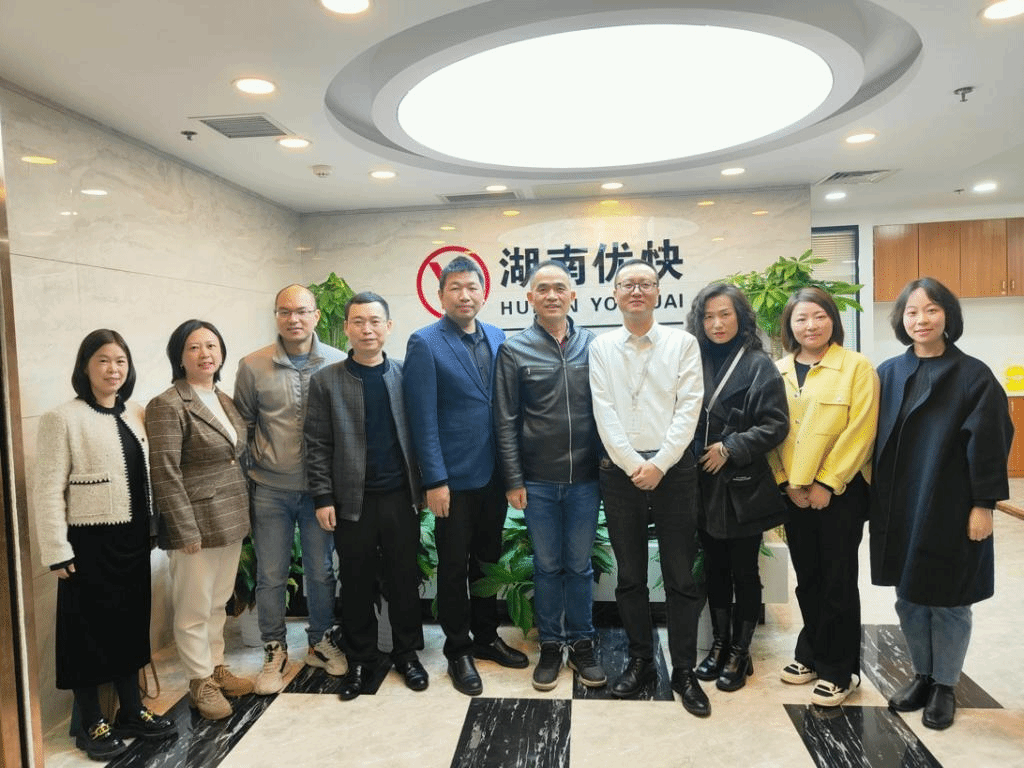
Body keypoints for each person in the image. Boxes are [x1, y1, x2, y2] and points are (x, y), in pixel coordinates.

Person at [871, 277, 1013, 730]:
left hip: (952, 505)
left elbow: (991, 444)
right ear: (901, 320)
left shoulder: (974, 375)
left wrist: (983, 505)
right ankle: (922, 676)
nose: (921, 319)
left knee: (950, 599)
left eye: (931, 310)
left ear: (948, 315)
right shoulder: (888, 373)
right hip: (900, 504)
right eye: (912, 312)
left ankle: (946, 685)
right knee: (909, 596)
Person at [34, 330, 175, 760]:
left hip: (133, 540)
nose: (113, 369)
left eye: (120, 361)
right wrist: (57, 551)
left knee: (130, 626)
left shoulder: (135, 412)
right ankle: (91, 721)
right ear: (85, 366)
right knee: (87, 634)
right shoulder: (62, 418)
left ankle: (131, 710)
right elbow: (47, 489)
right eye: (103, 360)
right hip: (88, 543)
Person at [403, 255, 529, 696]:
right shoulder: (425, 343)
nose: (464, 295)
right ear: (440, 296)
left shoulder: (497, 335)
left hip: (493, 475)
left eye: (472, 287)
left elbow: (504, 406)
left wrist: (513, 473)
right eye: (455, 287)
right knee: (454, 567)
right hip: (452, 481)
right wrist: (434, 481)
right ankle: (458, 649)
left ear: (483, 293)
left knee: (487, 562)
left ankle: (486, 638)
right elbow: (422, 420)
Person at [589, 259, 709, 717]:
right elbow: (603, 410)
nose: (636, 290)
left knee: (680, 574)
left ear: (659, 292)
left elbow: (689, 407)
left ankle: (683, 670)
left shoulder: (683, 343)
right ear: (615, 294)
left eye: (645, 283)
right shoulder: (601, 347)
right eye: (628, 284)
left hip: (674, 471)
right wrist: (633, 463)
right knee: (631, 575)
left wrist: (659, 463)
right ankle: (640, 660)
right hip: (619, 472)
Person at [305, 292, 427, 699]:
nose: (367, 329)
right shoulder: (326, 380)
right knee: (355, 582)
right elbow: (317, 444)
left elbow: (423, 434)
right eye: (358, 321)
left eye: (375, 321)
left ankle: (407, 654)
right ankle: (360, 659)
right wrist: (323, 497)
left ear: (388, 327)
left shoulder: (406, 375)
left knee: (403, 579)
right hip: (350, 502)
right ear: (346, 328)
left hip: (400, 497)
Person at [493, 260, 606, 691]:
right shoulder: (514, 350)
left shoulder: (594, 346)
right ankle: (552, 645)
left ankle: (582, 643)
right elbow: (505, 419)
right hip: (537, 481)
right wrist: (513, 479)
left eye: (560, 288)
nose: (552, 295)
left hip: (586, 479)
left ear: (572, 295)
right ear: (530, 298)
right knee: (547, 566)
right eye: (543, 289)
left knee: (578, 566)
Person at [769, 287, 879, 707]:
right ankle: (812, 653)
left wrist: (827, 483)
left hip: (841, 493)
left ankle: (840, 670)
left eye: (819, 316)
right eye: (801, 318)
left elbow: (861, 431)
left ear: (833, 319)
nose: (810, 325)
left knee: (837, 580)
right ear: (789, 326)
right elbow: (772, 432)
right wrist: (786, 482)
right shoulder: (778, 370)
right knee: (808, 577)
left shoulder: (856, 367)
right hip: (793, 492)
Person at [234, 284, 347, 695]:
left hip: (320, 493)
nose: (293, 319)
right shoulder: (252, 366)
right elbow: (243, 427)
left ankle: (320, 641)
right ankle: (274, 648)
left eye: (301, 311)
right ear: (276, 317)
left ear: (316, 315)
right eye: (285, 312)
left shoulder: (337, 362)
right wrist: (247, 482)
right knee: (270, 574)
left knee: (321, 570)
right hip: (270, 489)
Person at [146, 320, 253, 721]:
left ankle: (216, 666)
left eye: (211, 345)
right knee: (193, 608)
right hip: (195, 522)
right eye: (194, 347)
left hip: (230, 517)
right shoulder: (168, 404)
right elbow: (164, 472)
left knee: (218, 601)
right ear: (179, 356)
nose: (205, 354)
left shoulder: (223, 398)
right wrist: (183, 529)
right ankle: (199, 681)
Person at [685, 284, 789, 692]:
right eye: (708, 316)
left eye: (724, 314)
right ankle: (719, 645)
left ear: (741, 317)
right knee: (714, 568)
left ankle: (740, 651)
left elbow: (776, 424)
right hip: (701, 482)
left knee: (744, 571)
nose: (716, 324)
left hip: (741, 485)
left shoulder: (759, 364)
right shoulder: (693, 358)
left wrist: (730, 447)